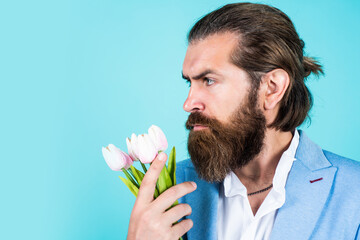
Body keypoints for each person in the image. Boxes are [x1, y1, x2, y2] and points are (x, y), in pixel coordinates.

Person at [127, 3, 360, 240]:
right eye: (190, 82)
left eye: (208, 80)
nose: (188, 104)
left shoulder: (354, 193)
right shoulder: (168, 189)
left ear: (272, 88)